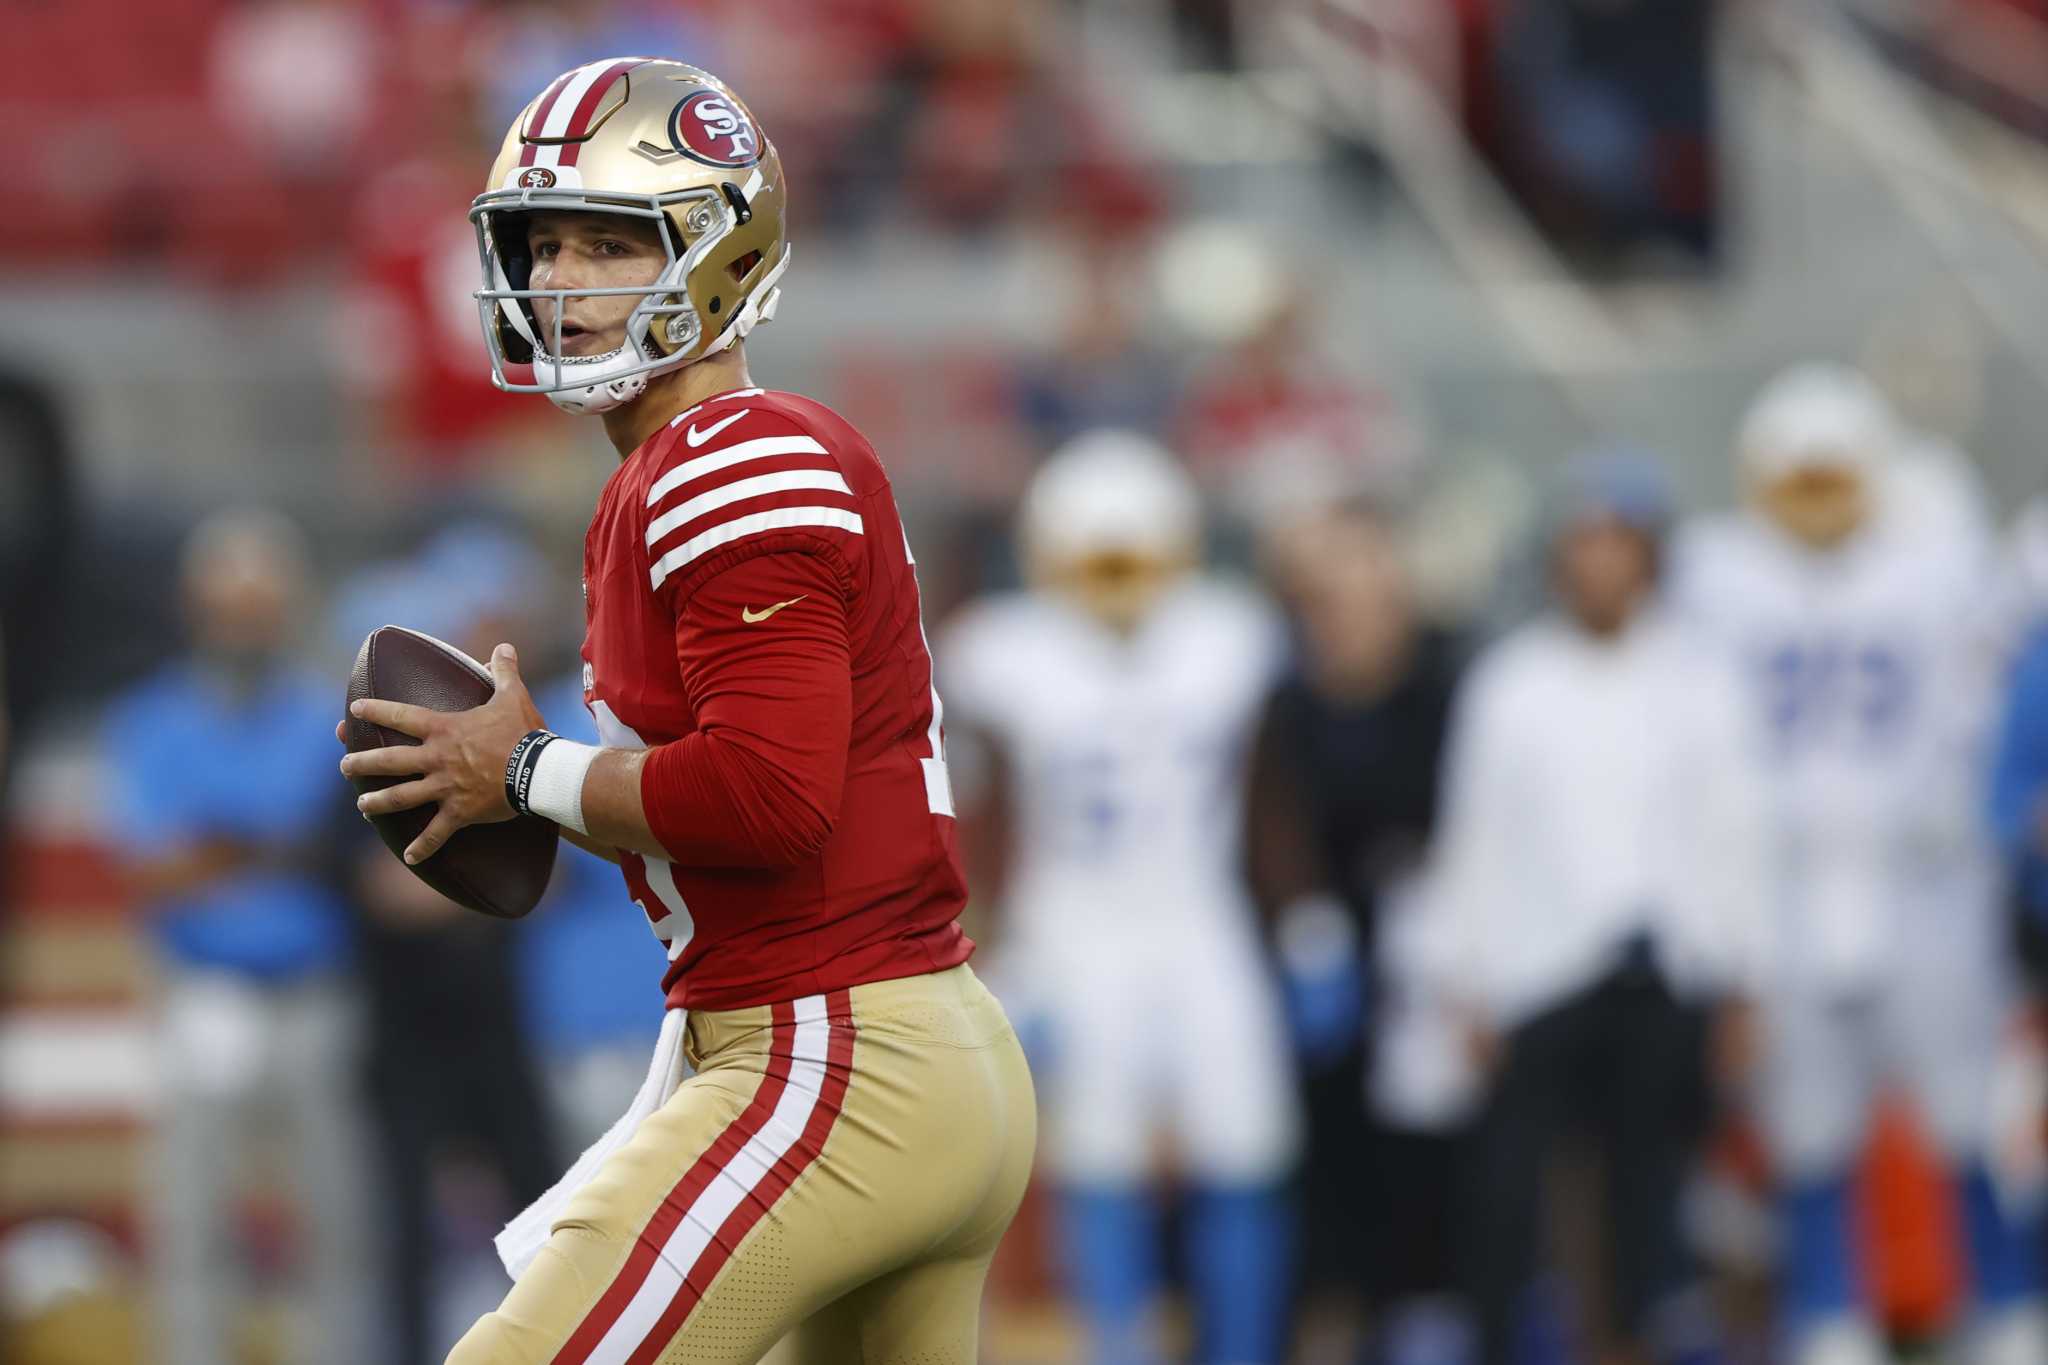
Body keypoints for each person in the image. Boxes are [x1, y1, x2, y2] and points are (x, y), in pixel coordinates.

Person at [335, 59, 1035, 1363]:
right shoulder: (676, 472)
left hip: (831, 1057)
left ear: (717, 253)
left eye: (610, 242)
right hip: (895, 1042)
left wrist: (530, 771)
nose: (559, 283)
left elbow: (770, 796)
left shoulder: (735, 455)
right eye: (542, 245)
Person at [1676, 365, 2045, 1365]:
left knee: (1967, 1115)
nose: (1815, 494)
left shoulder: (1937, 559)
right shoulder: (1715, 573)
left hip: (1920, 875)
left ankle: (2007, 1305)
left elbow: (1992, 698)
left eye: (1832, 472)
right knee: (1804, 1130)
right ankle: (1827, 1316)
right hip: (1783, 883)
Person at [941, 431, 1300, 1364]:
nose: (1114, 580)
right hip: (1074, 927)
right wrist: (998, 951)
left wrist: (1305, 922)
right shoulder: (1002, 654)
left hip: (1200, 915)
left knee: (1246, 1148)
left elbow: (1266, 788)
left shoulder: (1229, 638)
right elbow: (981, 809)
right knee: (1097, 1163)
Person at [1431, 453, 1767, 1365]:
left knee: (1647, 1196)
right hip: (1539, 974)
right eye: (1586, 542)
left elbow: (1732, 835)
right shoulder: (1512, 682)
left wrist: (1740, 977)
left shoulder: (1701, 678)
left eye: (1621, 542)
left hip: (1661, 970)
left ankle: (1630, 1340)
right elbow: (1476, 839)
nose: (1602, 562)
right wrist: (1466, 980)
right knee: (1513, 1194)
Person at [105, 509, 371, 1365]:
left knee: (335, 1217)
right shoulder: (152, 717)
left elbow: (333, 853)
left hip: (313, 989)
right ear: (196, 606)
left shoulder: (327, 716)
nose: (245, 621)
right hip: (202, 992)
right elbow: (155, 869)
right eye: (230, 604)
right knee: (193, 1222)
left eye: (260, 604)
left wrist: (229, 847)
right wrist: (264, 850)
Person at [1241, 496, 1467, 1362]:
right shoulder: (1287, 707)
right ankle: (1326, 1323)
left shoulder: (1448, 691)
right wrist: (1301, 920)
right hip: (1322, 967)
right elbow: (1268, 828)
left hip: (1431, 960)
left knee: (1430, 1160)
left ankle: (1424, 1318)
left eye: (1370, 592)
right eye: (1330, 599)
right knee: (1315, 1155)